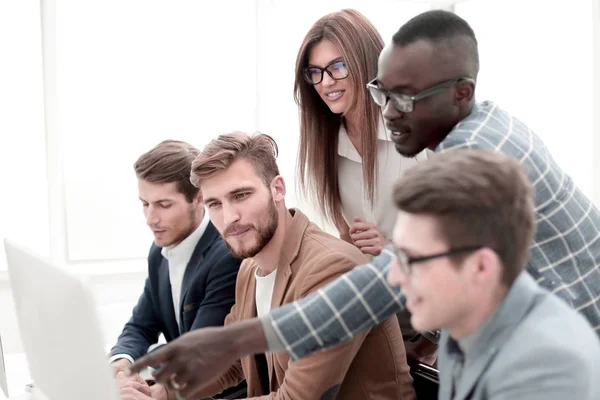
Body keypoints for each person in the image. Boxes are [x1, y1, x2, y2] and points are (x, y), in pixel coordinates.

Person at [129, 9, 600, 394]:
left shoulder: (478, 154)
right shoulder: (459, 130)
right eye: (383, 94)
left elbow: (391, 277)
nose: (388, 112)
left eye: (404, 97)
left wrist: (234, 339)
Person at [154, 132, 415, 400]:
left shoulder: (333, 268)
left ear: (277, 189)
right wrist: (159, 394)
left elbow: (296, 398)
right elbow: (231, 360)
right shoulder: (249, 269)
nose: (230, 217)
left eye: (241, 195)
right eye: (215, 204)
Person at [385, 150, 600, 399]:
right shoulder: (468, 326)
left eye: (412, 259)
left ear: (481, 267)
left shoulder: (543, 374)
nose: (394, 278)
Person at [295, 8, 434, 359]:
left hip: (439, 326)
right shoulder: (326, 150)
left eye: (337, 67)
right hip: (383, 331)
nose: (326, 82)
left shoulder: (418, 133)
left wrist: (390, 246)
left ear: (366, 63)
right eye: (315, 72)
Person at [109, 140, 242, 399]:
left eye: (164, 205)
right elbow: (140, 325)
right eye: (145, 204)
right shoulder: (160, 250)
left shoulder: (226, 256)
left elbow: (197, 355)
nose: (150, 219)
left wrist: (149, 392)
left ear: (198, 198)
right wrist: (121, 364)